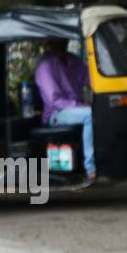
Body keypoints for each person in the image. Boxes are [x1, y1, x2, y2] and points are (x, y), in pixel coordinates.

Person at [34, 38, 96, 184]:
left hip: (74, 108)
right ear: (50, 43)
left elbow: (91, 79)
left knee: (100, 111)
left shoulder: (73, 60)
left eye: (63, 40)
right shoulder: (45, 66)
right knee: (89, 114)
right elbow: (54, 101)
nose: (62, 44)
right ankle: (91, 168)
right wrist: (80, 106)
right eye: (58, 41)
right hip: (56, 114)